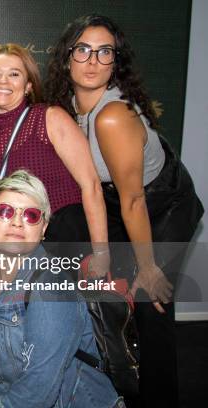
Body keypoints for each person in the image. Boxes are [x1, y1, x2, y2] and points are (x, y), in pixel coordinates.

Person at [44, 15, 204, 407]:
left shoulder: (113, 116)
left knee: (153, 303)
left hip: (164, 204)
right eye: (83, 49)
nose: (93, 60)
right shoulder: (66, 107)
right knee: (63, 227)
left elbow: (135, 200)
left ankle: (159, 398)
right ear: (67, 58)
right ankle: (99, 359)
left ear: (116, 62)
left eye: (104, 52)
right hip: (119, 200)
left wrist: (148, 266)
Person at [0, 170, 123, 408]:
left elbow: (36, 395)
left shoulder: (52, 289)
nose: (16, 221)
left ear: (43, 228)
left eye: (31, 215)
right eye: (5, 211)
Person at [0, 43, 110, 274]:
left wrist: (101, 254)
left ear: (28, 85)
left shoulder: (49, 118)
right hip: (17, 248)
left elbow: (91, 186)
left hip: (64, 244)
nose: (3, 81)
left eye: (14, 74)